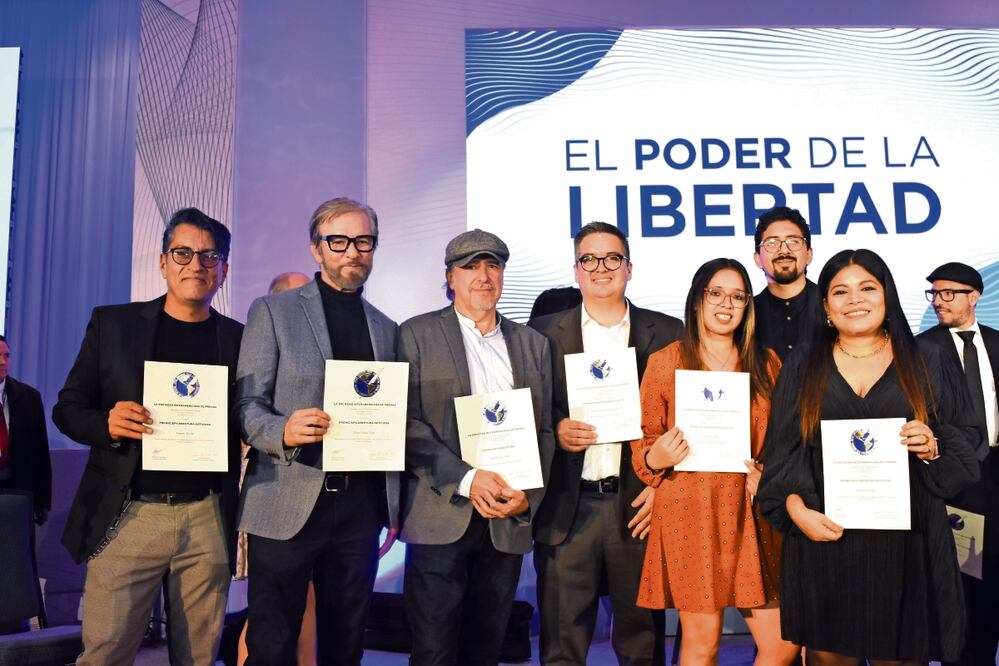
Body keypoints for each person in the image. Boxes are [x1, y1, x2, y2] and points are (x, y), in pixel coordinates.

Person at [757, 249, 981, 664]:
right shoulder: (803, 365)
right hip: (825, 538)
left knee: (901, 657)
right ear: (825, 305)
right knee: (830, 659)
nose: (854, 300)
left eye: (867, 288)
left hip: (907, 546)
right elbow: (783, 454)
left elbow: (967, 441)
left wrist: (933, 446)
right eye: (840, 291)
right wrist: (794, 508)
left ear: (887, 295)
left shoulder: (928, 358)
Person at [53, 208, 243, 665]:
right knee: (105, 652)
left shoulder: (240, 339)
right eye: (182, 253)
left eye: (208, 255)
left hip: (207, 516)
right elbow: (67, 408)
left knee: (198, 657)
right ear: (162, 262)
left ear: (223, 269)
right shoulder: (113, 325)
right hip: (129, 511)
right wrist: (106, 424)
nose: (195, 264)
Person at [236, 197, 399, 666]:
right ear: (316, 249)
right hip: (286, 499)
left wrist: (392, 505)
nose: (352, 251)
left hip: (358, 506)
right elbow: (247, 404)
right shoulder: (273, 311)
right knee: (272, 644)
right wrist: (282, 429)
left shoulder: (386, 329)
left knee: (345, 644)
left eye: (363, 241)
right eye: (339, 241)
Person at [398, 228, 555, 666]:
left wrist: (528, 493)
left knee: (486, 649)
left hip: (505, 518)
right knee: (433, 651)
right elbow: (407, 425)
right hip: (439, 516)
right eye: (470, 267)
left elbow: (543, 430)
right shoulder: (415, 335)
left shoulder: (532, 344)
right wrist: (467, 479)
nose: (483, 276)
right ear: (450, 277)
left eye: (492, 265)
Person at [528, 222, 682, 665]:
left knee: (642, 642)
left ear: (629, 268)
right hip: (567, 507)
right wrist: (556, 429)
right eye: (589, 259)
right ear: (576, 270)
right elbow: (528, 410)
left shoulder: (669, 333)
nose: (601, 268)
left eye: (612, 258)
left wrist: (661, 486)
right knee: (561, 643)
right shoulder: (538, 334)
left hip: (638, 507)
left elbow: (682, 421)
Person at [632, 258, 799, 665]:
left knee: (782, 646)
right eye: (716, 293)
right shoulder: (666, 361)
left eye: (738, 296)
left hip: (751, 509)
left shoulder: (769, 363)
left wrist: (771, 474)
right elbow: (644, 439)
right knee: (702, 644)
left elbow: (784, 441)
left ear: (747, 306)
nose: (727, 303)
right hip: (691, 510)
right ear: (697, 301)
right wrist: (655, 458)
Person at [918, 261, 999, 665]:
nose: (938, 301)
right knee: (965, 577)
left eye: (948, 293)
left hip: (998, 473)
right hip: (955, 478)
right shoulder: (923, 347)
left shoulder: (998, 343)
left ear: (974, 297)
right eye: (933, 293)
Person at [235, 269, 317, 666]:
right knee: (266, 620)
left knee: (309, 612)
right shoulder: (266, 324)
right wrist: (282, 430)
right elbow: (248, 410)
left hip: (326, 504)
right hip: (274, 496)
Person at [752, 206, 817, 360]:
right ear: (757, 259)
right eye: (772, 243)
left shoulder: (832, 306)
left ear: (809, 254)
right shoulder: (746, 314)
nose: (784, 250)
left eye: (793, 241)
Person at [0, 334, 52, 525]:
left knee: (14, 551)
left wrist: (42, 501)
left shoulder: (29, 398)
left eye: (7, 355)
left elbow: (40, 453)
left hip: (17, 492)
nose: (3, 361)